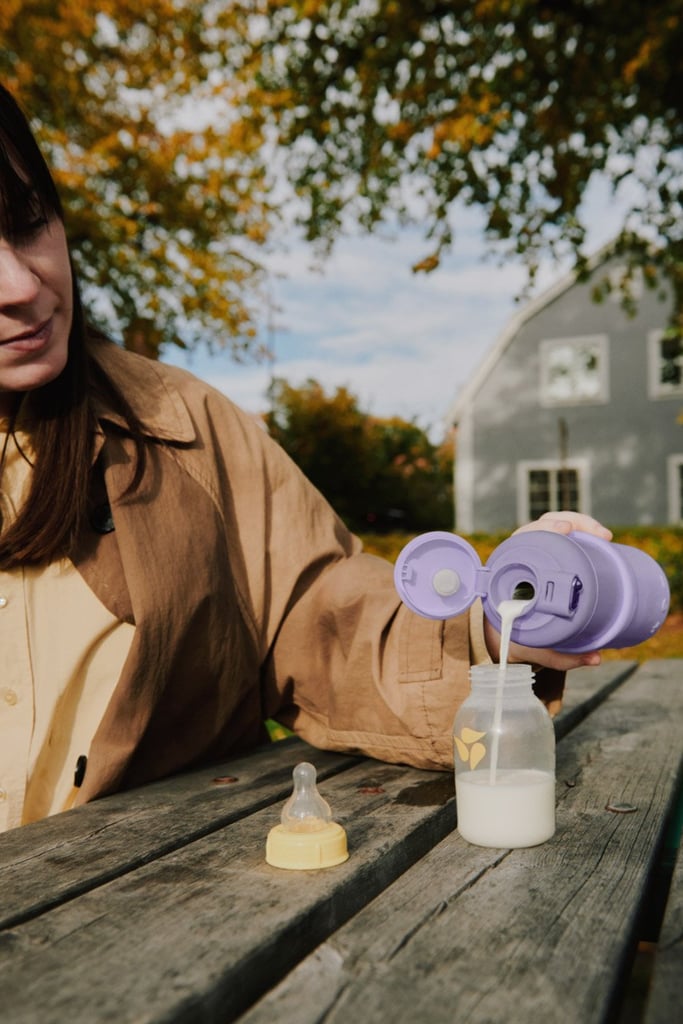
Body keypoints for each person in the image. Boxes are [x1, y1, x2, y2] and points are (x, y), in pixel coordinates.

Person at [0, 82, 611, 833]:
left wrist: (486, 626)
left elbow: (321, 615)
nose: (22, 285)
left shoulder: (183, 426)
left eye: (29, 223)